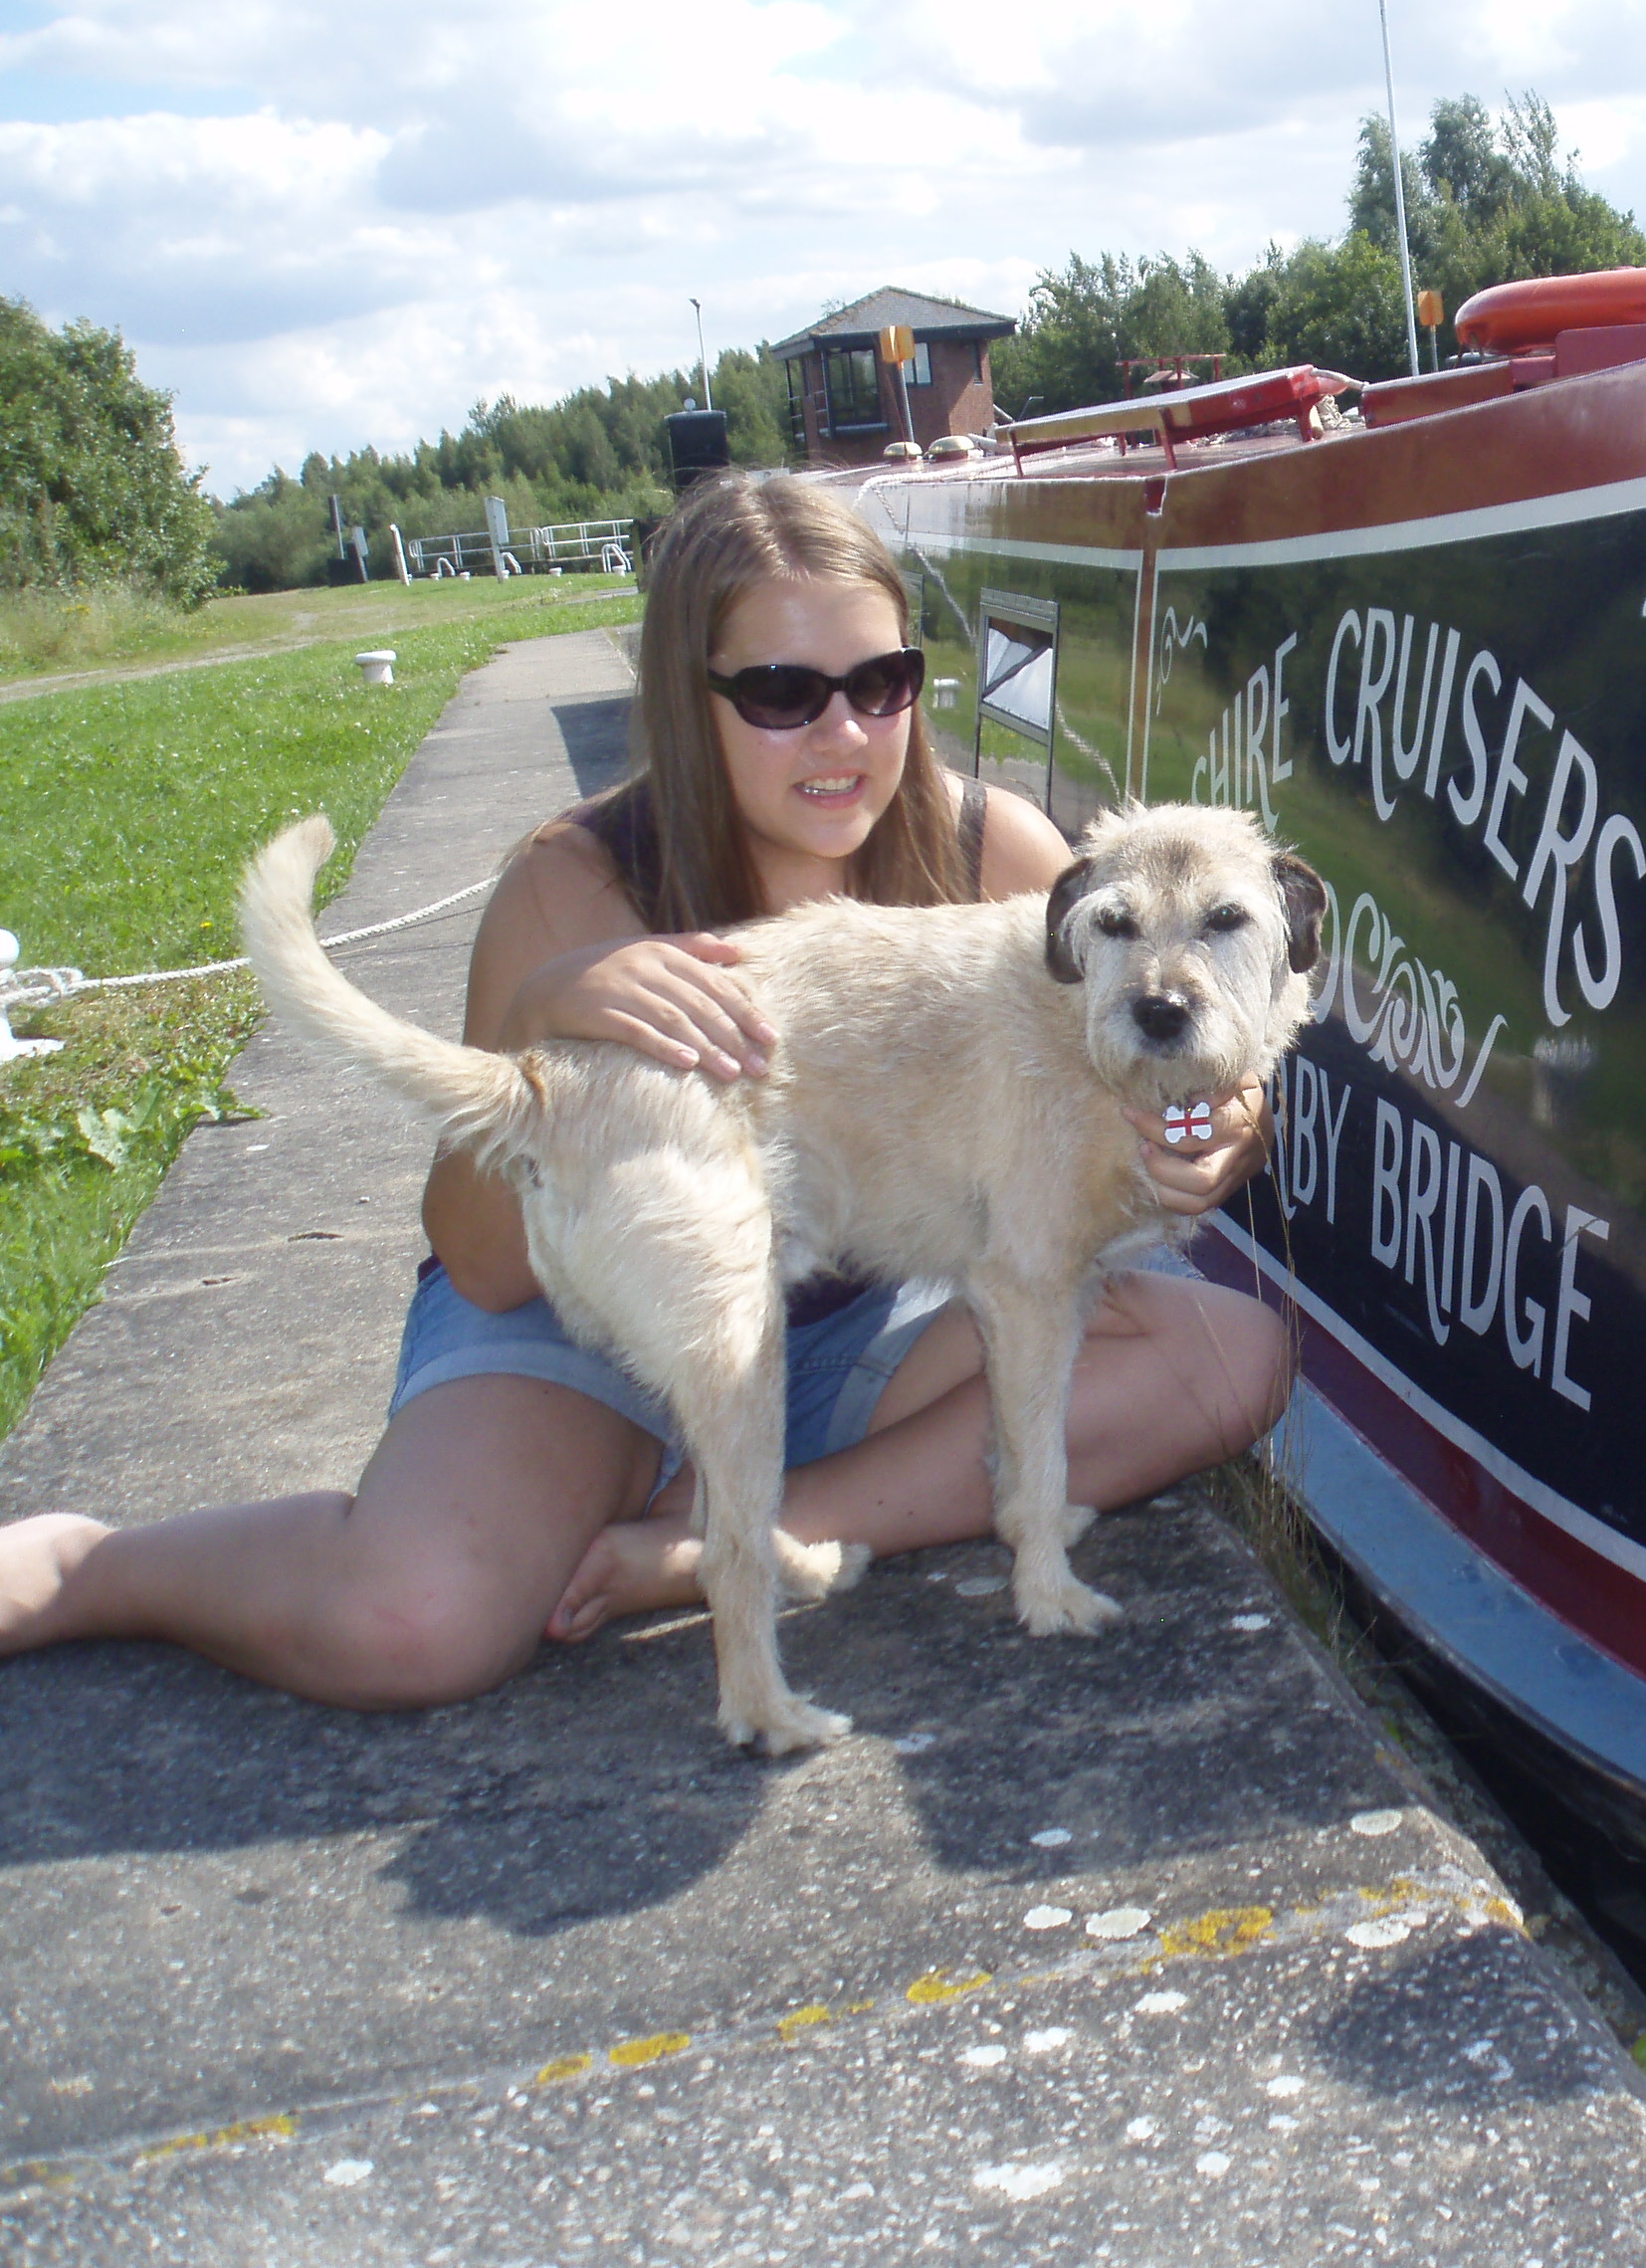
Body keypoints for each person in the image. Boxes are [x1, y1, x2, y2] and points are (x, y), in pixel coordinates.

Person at [0, 475, 1295, 1706]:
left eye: (881, 682)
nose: (845, 734)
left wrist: (1215, 1125)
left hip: (853, 1310)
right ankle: (87, 1568)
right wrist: (535, 1023)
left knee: (1226, 1362)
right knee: (412, 1623)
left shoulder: (996, 855)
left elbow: (1150, 1081)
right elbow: (486, 1262)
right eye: (783, 693)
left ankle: (755, 1526)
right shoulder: (572, 886)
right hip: (592, 1342)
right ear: (689, 697)